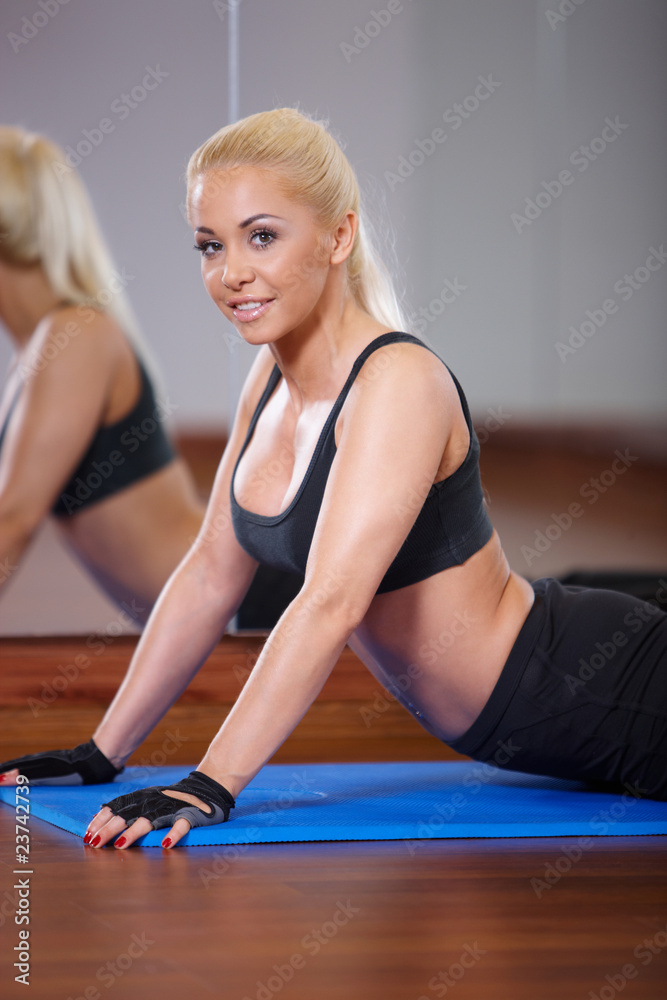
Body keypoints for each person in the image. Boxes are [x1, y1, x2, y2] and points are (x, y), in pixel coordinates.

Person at [1, 109, 665, 849]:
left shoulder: (397, 382)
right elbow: (208, 574)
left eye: (262, 236)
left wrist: (210, 782)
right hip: (528, 724)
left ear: (338, 236)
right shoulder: (270, 377)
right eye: (209, 245)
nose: (232, 273)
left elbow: (330, 602)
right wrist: (104, 751)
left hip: (594, 686)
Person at [0, 126, 204, 623]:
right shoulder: (39, 351)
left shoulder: (75, 335)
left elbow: (14, 521)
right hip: (213, 618)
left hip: (249, 605)